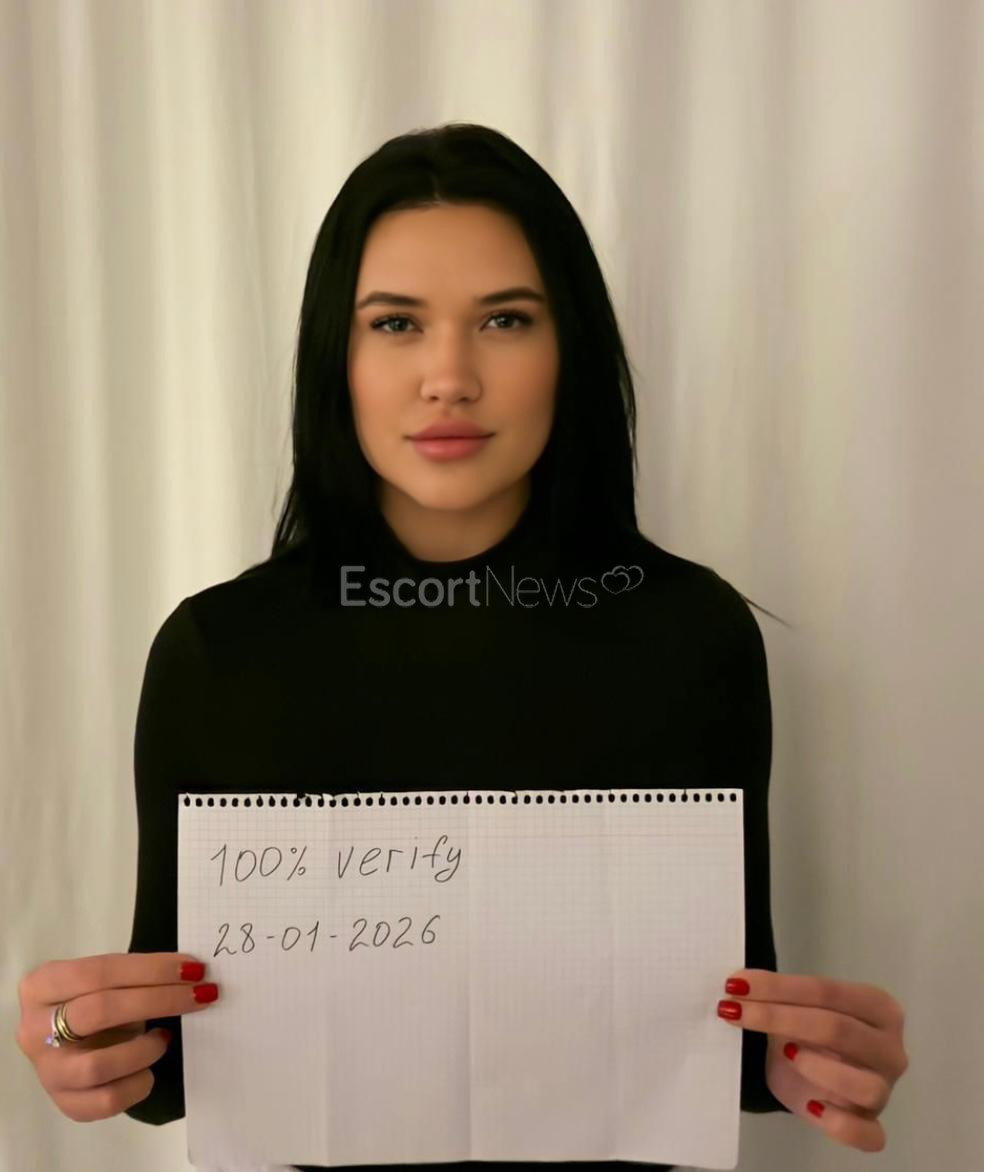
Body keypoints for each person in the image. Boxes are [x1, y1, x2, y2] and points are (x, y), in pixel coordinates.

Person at [16, 123, 908, 1170]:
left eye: (505, 319)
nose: (449, 376)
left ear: (569, 350)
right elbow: (170, 1069)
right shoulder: (219, 652)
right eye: (396, 323)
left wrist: (811, 1059)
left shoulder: (689, 636)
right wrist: (83, 1041)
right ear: (335, 356)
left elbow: (724, 1032)